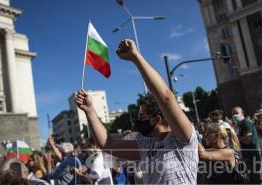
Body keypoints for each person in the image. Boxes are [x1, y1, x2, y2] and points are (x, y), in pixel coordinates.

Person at [76, 39, 198, 184]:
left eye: (141, 116)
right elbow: (107, 144)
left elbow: (165, 97)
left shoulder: (182, 138)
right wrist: (89, 111)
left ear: (157, 119)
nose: (137, 121)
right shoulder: (145, 144)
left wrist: (135, 57)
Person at [232, 106, 262, 184]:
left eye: (236, 113)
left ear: (242, 113)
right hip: (247, 156)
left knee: (255, 180)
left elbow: (247, 141)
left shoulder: (246, 122)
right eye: (233, 114)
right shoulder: (240, 124)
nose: (234, 115)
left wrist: (236, 136)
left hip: (252, 156)